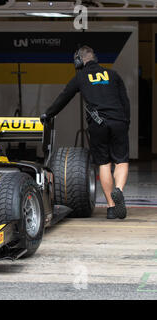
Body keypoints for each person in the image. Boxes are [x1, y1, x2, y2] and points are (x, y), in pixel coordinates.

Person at [40, 46, 130, 220]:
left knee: (104, 164)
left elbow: (64, 97)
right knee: (121, 161)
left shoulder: (80, 77)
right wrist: (126, 122)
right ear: (95, 58)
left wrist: (48, 114)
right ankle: (118, 190)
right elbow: (125, 102)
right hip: (119, 121)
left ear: (78, 61)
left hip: (98, 123)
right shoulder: (113, 75)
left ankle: (111, 207)